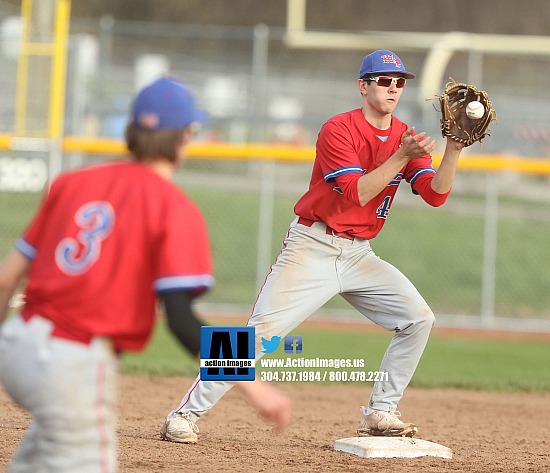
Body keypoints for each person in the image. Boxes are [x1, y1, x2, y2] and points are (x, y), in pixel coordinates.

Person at [160, 49, 465, 442]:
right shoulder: (338, 129)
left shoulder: (404, 136)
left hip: (359, 254)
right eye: (384, 80)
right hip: (313, 246)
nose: (393, 88)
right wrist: (402, 156)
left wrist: (454, 148)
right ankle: (185, 414)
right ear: (363, 85)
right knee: (257, 336)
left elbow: (435, 194)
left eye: (399, 82)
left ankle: (380, 411)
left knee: (418, 318)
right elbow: (356, 192)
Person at [0, 76, 290, 472]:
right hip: (73, 363)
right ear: (186, 137)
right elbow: (182, 320)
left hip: (16, 344)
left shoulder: (72, 182)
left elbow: (5, 279)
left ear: (132, 131)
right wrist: (255, 387)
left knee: (44, 450)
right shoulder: (175, 207)